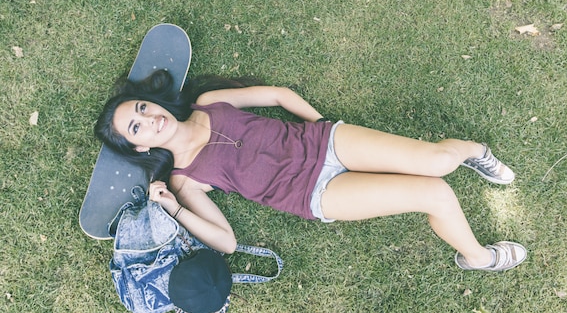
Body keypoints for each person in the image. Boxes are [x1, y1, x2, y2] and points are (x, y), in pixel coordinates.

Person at [95, 70, 527, 272]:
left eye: (142, 108)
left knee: (438, 161)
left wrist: (321, 125)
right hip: (311, 194)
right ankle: (479, 258)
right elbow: (226, 243)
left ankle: (474, 151)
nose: (149, 118)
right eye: (137, 126)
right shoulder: (185, 181)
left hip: (324, 141)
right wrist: (174, 209)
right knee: (435, 193)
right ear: (142, 146)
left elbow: (279, 95)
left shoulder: (208, 102)